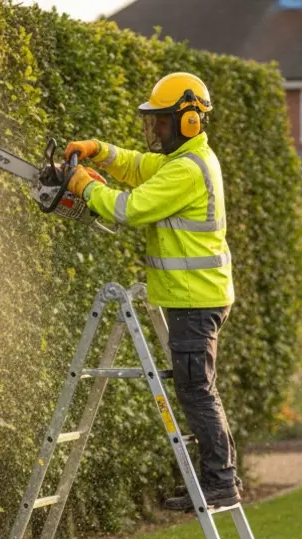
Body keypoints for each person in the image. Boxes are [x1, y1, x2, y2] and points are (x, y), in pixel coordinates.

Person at [63, 72, 240, 510]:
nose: (155, 130)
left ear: (190, 121)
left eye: (161, 121)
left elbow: (131, 208)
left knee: (197, 390)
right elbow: (137, 166)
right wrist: (98, 152)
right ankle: (214, 480)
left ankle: (220, 482)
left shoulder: (188, 169)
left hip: (194, 298)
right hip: (189, 295)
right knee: (195, 388)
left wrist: (85, 185)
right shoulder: (184, 160)